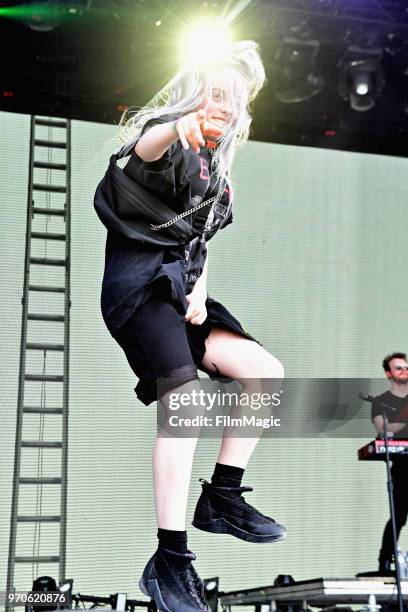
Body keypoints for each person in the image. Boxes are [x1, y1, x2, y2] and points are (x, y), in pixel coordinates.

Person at [95, 40, 286, 612]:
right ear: (192, 93)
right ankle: (170, 560)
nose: (222, 104)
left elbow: (199, 238)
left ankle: (222, 497)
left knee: (265, 374)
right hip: (139, 291)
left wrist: (200, 284)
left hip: (180, 291)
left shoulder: (215, 168)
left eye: (233, 96)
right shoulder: (163, 134)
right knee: (187, 405)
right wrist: (183, 116)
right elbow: (147, 149)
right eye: (214, 91)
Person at [372, 352, 408, 574]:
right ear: (388, 374)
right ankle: (385, 560)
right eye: (399, 368)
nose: (405, 371)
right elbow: (382, 431)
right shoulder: (382, 401)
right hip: (403, 466)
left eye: (406, 367)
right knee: (399, 516)